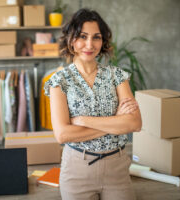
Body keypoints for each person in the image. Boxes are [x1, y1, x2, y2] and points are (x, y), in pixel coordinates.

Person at [44, 8, 142, 200]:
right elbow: (63, 135)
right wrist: (116, 122)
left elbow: (134, 124)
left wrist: (82, 120)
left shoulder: (117, 76)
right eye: (82, 36)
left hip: (117, 168)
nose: (89, 44)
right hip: (77, 170)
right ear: (71, 39)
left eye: (96, 37)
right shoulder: (59, 81)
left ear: (103, 41)